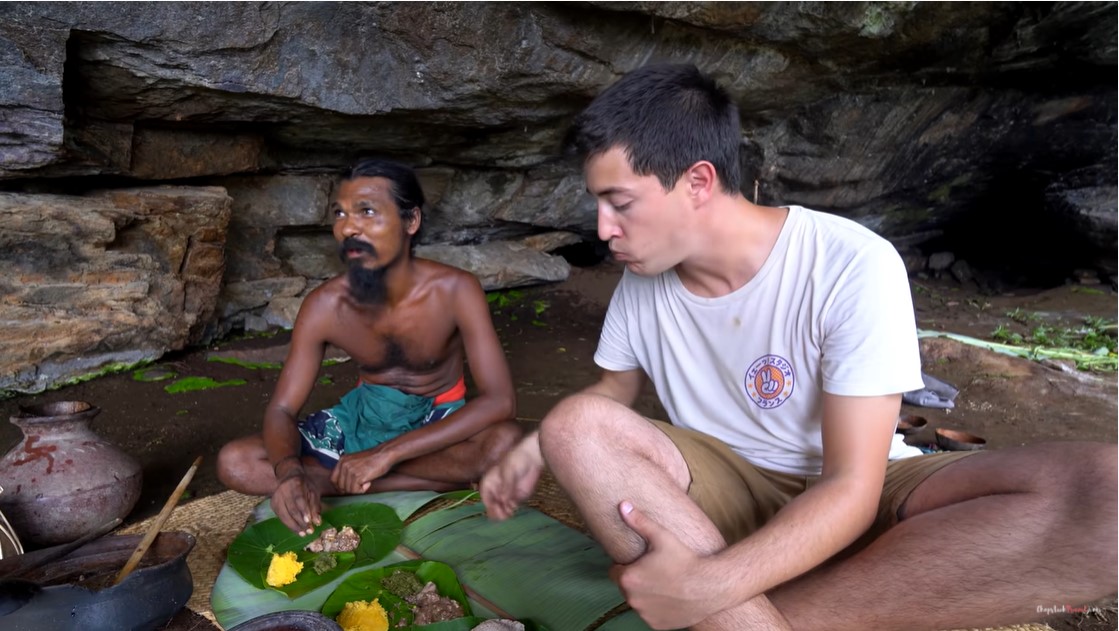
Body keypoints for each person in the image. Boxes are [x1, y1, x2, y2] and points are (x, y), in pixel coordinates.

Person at [480, 64, 1117, 631]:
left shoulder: (846, 262)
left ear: (698, 181)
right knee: (576, 426)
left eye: (619, 203)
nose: (602, 229)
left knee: (1108, 494)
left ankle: (746, 616)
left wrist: (710, 587)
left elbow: (852, 485)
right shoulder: (642, 285)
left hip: (865, 490)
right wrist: (537, 445)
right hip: (720, 498)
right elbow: (611, 393)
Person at [219, 158, 521, 536]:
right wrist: (291, 474)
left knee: (504, 444)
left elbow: (500, 401)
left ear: (411, 221)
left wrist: (385, 455)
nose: (347, 227)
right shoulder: (324, 305)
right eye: (340, 213)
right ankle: (422, 482)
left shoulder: (456, 290)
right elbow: (281, 408)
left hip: (434, 424)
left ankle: (341, 480)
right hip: (360, 422)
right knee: (237, 461)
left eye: (366, 211)